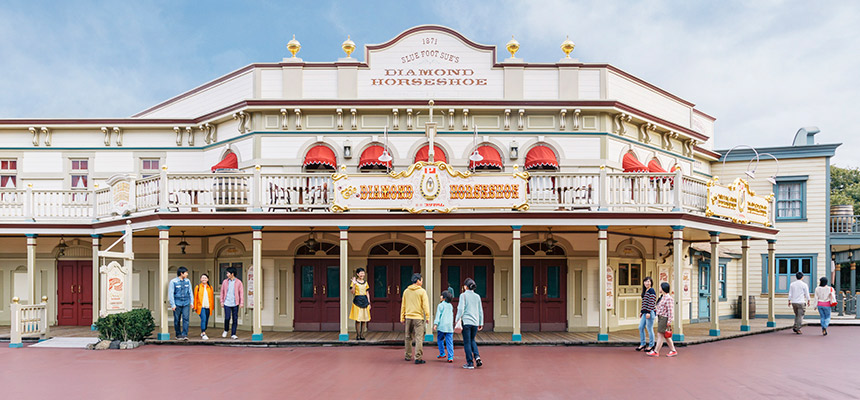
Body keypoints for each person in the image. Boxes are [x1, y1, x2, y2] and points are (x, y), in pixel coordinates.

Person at [400, 272, 430, 364]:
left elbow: (403, 305)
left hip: (408, 317)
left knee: (408, 337)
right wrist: (427, 316)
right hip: (418, 317)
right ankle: (418, 357)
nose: (422, 282)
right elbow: (425, 305)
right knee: (419, 338)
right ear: (418, 281)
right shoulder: (422, 291)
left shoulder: (406, 291)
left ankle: (408, 355)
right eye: (421, 280)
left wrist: (402, 317)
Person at [456, 278, 484, 369]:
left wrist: (457, 319)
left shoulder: (463, 296)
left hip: (466, 322)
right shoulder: (477, 296)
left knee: (467, 342)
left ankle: (470, 363)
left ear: (465, 287)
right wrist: (481, 322)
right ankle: (477, 356)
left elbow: (461, 309)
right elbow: (480, 310)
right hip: (475, 322)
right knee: (472, 340)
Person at [647, 282, 677, 357]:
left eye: (660, 287)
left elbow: (670, 310)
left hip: (664, 318)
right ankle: (673, 350)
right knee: (666, 336)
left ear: (663, 288)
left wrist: (669, 321)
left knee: (660, 335)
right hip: (661, 317)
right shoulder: (662, 297)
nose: (659, 288)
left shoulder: (669, 299)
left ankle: (656, 351)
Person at [168, 266, 193, 340]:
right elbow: (171, 293)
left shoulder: (187, 281)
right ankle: (178, 334)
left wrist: (192, 302)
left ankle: (184, 334)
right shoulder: (173, 282)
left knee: (186, 319)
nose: (187, 274)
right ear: (181, 273)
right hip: (177, 303)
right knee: (177, 319)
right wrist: (173, 304)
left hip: (186, 303)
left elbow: (190, 292)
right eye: (186, 273)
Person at [220, 266, 244, 340]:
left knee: (235, 318)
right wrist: (221, 301)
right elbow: (222, 292)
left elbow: (241, 293)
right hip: (227, 302)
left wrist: (241, 302)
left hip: (235, 303)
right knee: (227, 317)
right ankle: (226, 329)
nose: (227, 274)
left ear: (232, 274)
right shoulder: (225, 282)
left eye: (228, 273)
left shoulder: (239, 282)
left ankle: (233, 334)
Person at [349, 268, 371, 340]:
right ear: (357, 274)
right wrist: (354, 284)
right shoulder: (354, 282)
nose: (362, 274)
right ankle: (358, 335)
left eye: (363, 273)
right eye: (361, 273)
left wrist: (369, 302)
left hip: (364, 300)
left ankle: (362, 335)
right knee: (358, 319)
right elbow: (352, 292)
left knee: (364, 319)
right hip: (357, 300)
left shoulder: (365, 282)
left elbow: (367, 292)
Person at [192, 273, 215, 340]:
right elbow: (195, 297)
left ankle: (203, 330)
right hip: (200, 306)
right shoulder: (198, 287)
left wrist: (212, 306)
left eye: (205, 278)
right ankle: (203, 332)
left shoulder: (210, 287)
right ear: (200, 279)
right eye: (202, 278)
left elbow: (211, 298)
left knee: (206, 320)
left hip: (208, 306)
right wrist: (195, 307)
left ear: (207, 279)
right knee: (203, 319)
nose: (204, 279)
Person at [434, 289, 455, 363]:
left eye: (441, 295)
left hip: (442, 327)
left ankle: (442, 353)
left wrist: (435, 324)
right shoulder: (450, 306)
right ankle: (450, 356)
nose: (440, 296)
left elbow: (438, 315)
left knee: (440, 339)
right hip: (449, 327)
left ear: (444, 298)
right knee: (449, 342)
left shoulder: (440, 305)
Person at [637, 276, 657, 352]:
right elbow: (644, 303)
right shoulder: (645, 291)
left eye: (648, 281)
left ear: (651, 283)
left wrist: (648, 312)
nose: (647, 283)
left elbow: (652, 302)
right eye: (645, 281)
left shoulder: (651, 290)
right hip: (645, 312)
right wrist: (642, 312)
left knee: (649, 328)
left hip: (650, 312)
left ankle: (651, 345)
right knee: (640, 327)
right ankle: (643, 344)